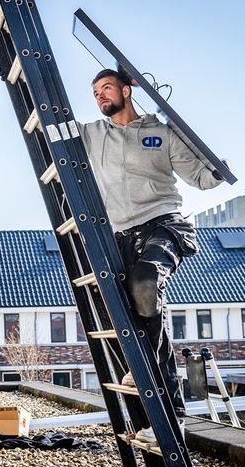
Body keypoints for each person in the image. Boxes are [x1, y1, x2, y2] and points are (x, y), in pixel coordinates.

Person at [78, 68, 227, 440]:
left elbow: (200, 176)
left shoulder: (160, 132)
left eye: (106, 88)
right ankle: (147, 382)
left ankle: (171, 414)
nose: (100, 96)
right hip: (122, 235)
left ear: (127, 91)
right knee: (123, 309)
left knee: (145, 284)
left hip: (164, 223)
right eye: (95, 92)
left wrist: (217, 171)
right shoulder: (93, 135)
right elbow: (52, 129)